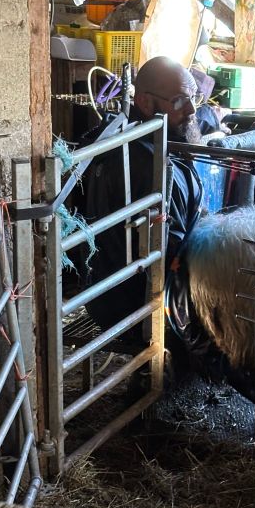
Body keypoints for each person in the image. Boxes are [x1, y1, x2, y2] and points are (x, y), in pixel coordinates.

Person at [84, 56, 205, 337]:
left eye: (194, 98)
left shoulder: (150, 146)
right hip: (133, 306)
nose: (192, 109)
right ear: (146, 103)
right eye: (178, 100)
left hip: (112, 297)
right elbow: (173, 257)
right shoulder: (154, 167)